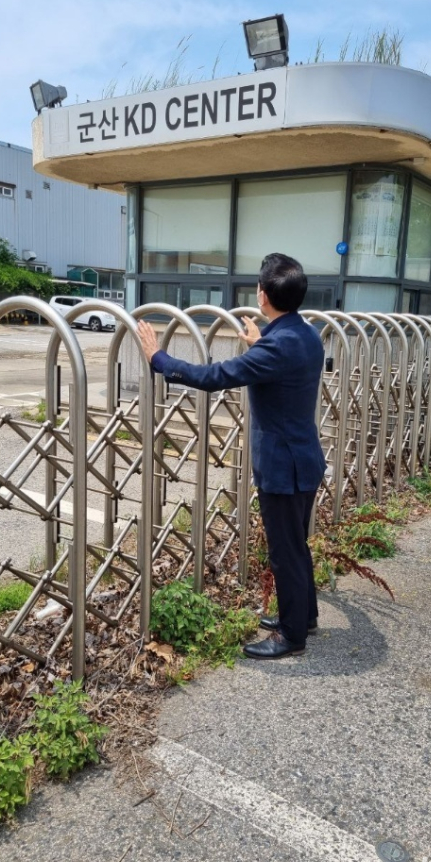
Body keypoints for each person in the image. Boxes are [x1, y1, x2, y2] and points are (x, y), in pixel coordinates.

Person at [137, 253, 325, 660]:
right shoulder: (306, 335)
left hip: (283, 467)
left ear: (262, 295)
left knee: (285, 549)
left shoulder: (276, 348)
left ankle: (292, 635)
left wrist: (159, 359)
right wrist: (260, 342)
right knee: (296, 544)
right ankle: (303, 615)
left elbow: (213, 377)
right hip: (305, 459)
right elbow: (283, 361)